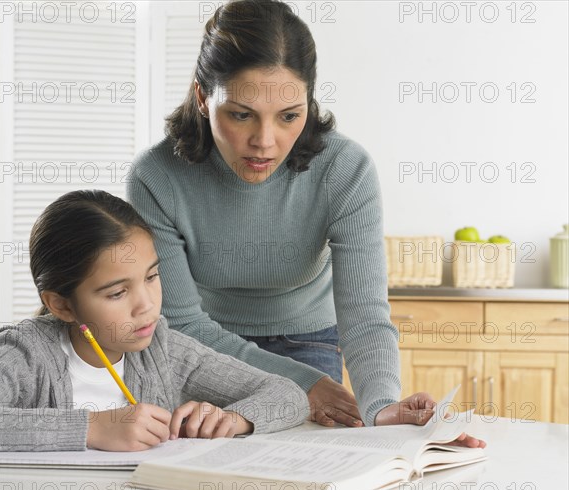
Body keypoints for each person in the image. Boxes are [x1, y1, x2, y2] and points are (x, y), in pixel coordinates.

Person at [127, 0, 484, 447]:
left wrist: (380, 407)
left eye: (289, 116)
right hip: (202, 348)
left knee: (308, 465)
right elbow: (180, 323)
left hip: (308, 340)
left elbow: (364, 313)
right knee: (208, 464)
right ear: (202, 97)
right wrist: (305, 385)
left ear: (309, 103)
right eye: (241, 114)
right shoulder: (156, 176)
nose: (265, 141)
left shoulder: (345, 170)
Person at [0, 190, 309, 452]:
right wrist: (93, 428)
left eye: (151, 276)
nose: (146, 305)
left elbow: (288, 395)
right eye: (118, 293)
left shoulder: (163, 351)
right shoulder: (25, 353)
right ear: (62, 305)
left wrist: (234, 418)